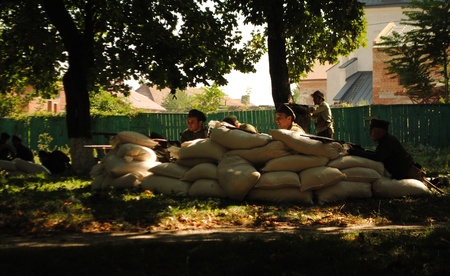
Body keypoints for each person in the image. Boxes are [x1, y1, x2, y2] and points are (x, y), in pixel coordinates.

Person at [347, 118, 422, 181]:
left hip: (408, 173)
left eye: (372, 130)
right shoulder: (385, 140)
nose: (370, 133)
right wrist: (360, 150)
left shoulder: (388, 141)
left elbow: (377, 157)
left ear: (381, 131)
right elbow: (377, 154)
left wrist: (355, 152)